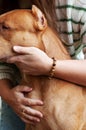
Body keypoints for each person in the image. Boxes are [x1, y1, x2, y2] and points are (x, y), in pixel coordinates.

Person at [0, 0, 86, 130]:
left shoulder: (75, 7)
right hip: (18, 94)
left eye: (4, 28)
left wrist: (49, 66)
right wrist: (7, 95)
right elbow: (2, 64)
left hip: (69, 84)